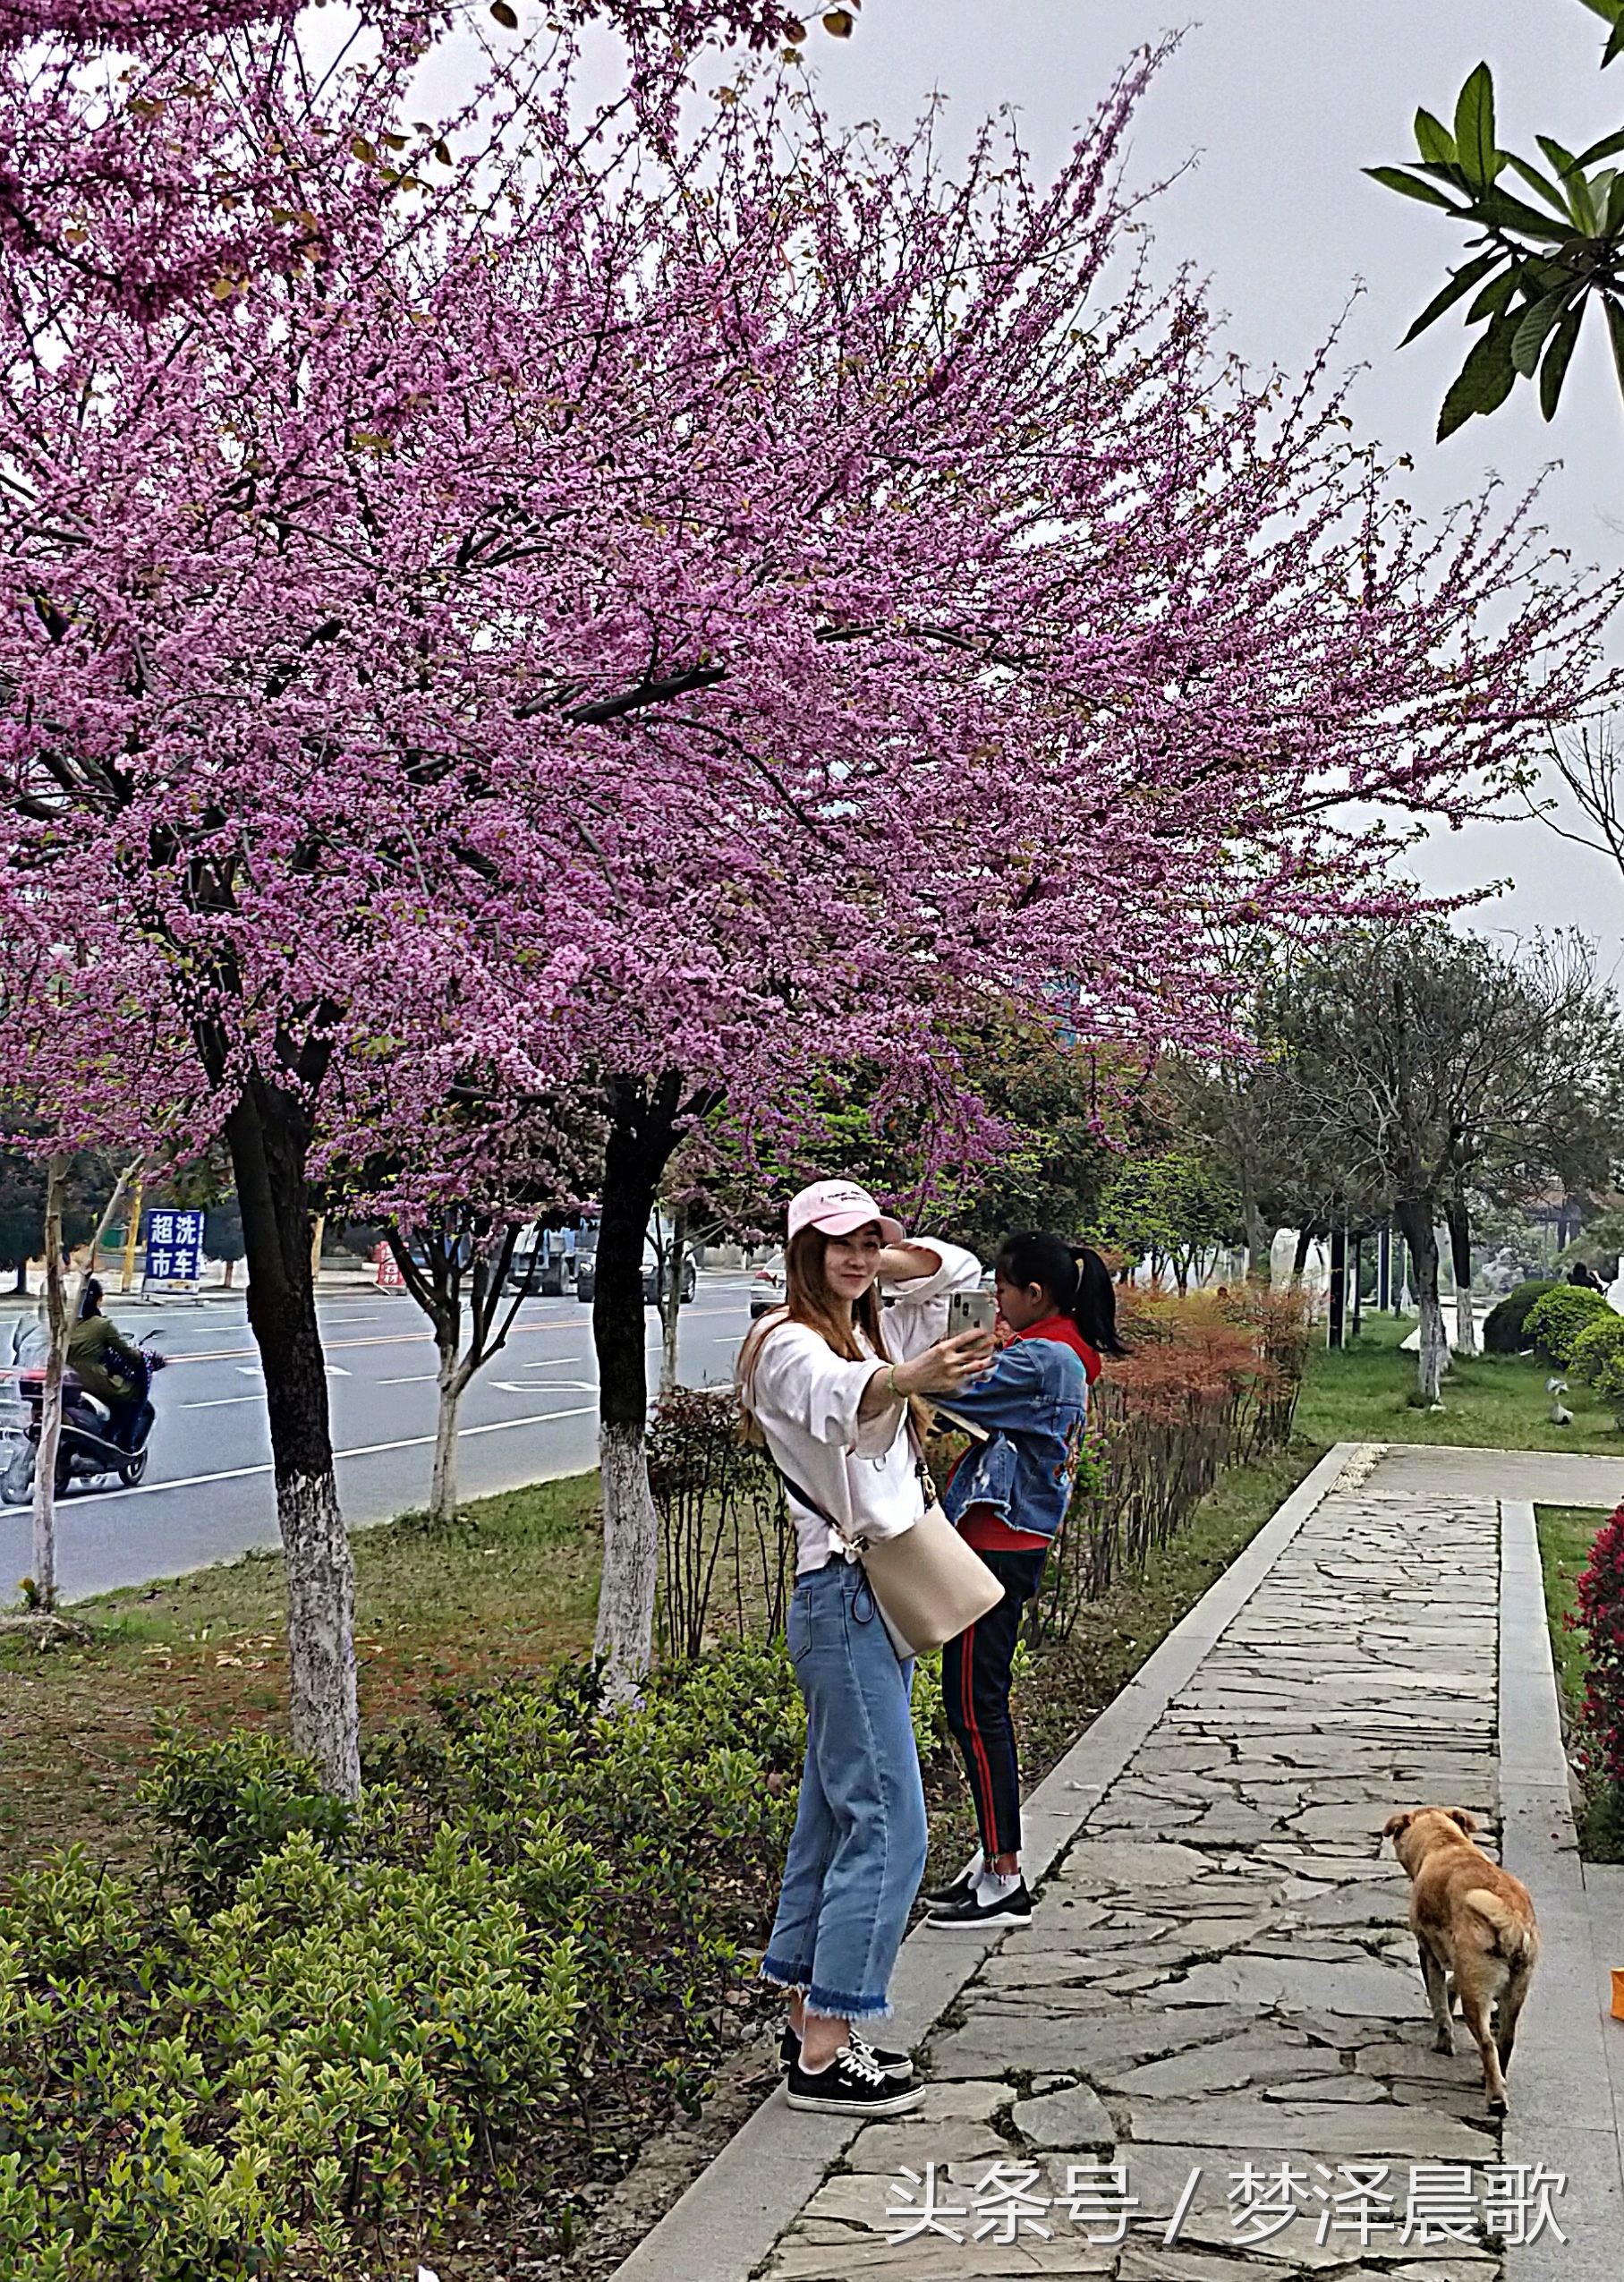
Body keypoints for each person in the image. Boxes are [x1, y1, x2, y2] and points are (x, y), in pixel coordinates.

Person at [737, 1179, 991, 2118]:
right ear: (800, 1254)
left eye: (868, 1244)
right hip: (842, 1598)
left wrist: (879, 1260)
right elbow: (844, 1400)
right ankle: (828, 2048)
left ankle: (810, 2010)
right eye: (835, 1245)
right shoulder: (788, 1345)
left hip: (871, 1600)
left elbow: (961, 1270)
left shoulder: (865, 1326)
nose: (854, 1259)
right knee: (889, 1823)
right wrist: (907, 1378)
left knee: (836, 1817)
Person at [922, 1231, 1125, 1932]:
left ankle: (1004, 1874)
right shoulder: (1064, 1353)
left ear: (1034, 1294)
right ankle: (991, 1862)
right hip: (1004, 1540)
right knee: (973, 1702)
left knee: (976, 1709)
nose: (997, 1309)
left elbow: (949, 1386)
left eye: (1003, 1293)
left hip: (995, 1545)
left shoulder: (1043, 1359)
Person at [66, 1277, 149, 1447]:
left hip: (67, 1377)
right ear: (99, 1299)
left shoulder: (68, 1321)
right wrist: (143, 1358)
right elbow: (128, 1353)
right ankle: (124, 1441)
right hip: (91, 1379)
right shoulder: (103, 1325)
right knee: (133, 1390)